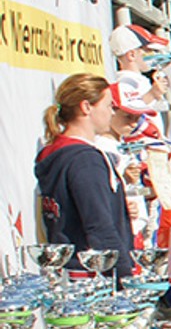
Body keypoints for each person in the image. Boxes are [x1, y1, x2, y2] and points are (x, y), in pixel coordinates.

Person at [36, 73, 140, 278]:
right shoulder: (84, 159)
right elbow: (98, 225)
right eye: (109, 106)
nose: (112, 113)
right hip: (92, 277)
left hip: (68, 270)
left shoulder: (53, 152)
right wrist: (123, 278)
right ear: (86, 107)